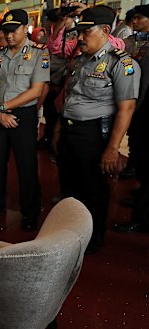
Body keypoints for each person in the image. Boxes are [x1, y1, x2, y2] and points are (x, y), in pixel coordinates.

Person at [55, 7, 140, 253]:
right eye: (79, 32)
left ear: (105, 31)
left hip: (93, 134)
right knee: (69, 185)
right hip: (70, 130)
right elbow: (70, 97)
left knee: (92, 188)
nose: (80, 37)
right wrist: (60, 130)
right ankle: (70, 230)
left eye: (86, 32)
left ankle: (93, 237)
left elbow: (127, 108)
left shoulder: (122, 63)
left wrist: (112, 149)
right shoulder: (81, 60)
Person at [0, 9, 50, 231]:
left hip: (23, 116)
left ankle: (30, 211)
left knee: (26, 165)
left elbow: (36, 91)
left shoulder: (40, 54)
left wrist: (4, 108)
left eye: (14, 31)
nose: (9, 35)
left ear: (25, 28)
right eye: (6, 31)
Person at [115, 4, 149, 233]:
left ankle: (142, 217)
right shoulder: (142, 42)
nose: (135, 21)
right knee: (141, 160)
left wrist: (131, 112)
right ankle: (140, 200)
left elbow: (144, 84)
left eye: (140, 17)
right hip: (141, 113)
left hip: (145, 112)